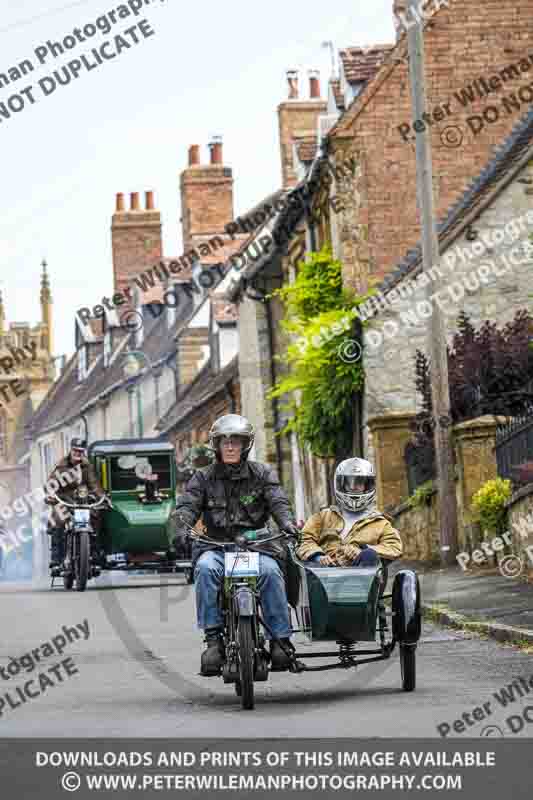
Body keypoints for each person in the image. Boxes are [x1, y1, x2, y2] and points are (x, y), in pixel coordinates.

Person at [174, 414, 300, 675]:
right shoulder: (202, 478)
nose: (230, 446)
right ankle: (213, 641)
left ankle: (281, 639)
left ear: (246, 445)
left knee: (271, 572)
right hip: (216, 546)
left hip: (257, 546)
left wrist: (287, 523)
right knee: (205, 570)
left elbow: (278, 501)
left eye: (236, 441)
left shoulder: (263, 473)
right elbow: (188, 506)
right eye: (225, 442)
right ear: (216, 446)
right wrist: (182, 527)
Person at [297, 457, 402, 567]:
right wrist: (318, 557)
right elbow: (304, 539)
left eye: (359, 482)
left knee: (369, 555)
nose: (353, 487)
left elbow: (394, 547)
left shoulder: (380, 522)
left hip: (363, 578)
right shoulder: (322, 516)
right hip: (325, 576)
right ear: (341, 485)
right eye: (349, 482)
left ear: (367, 485)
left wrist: (363, 550)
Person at [46, 438, 107, 568]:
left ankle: (94, 552)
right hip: (64, 500)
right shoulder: (61, 465)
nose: (77, 453)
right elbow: (51, 484)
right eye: (75, 450)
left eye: (80, 451)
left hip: (82, 500)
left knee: (96, 515)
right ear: (71, 449)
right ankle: (56, 558)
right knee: (58, 520)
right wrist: (51, 495)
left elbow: (94, 484)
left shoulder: (87, 466)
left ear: (83, 452)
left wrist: (102, 497)